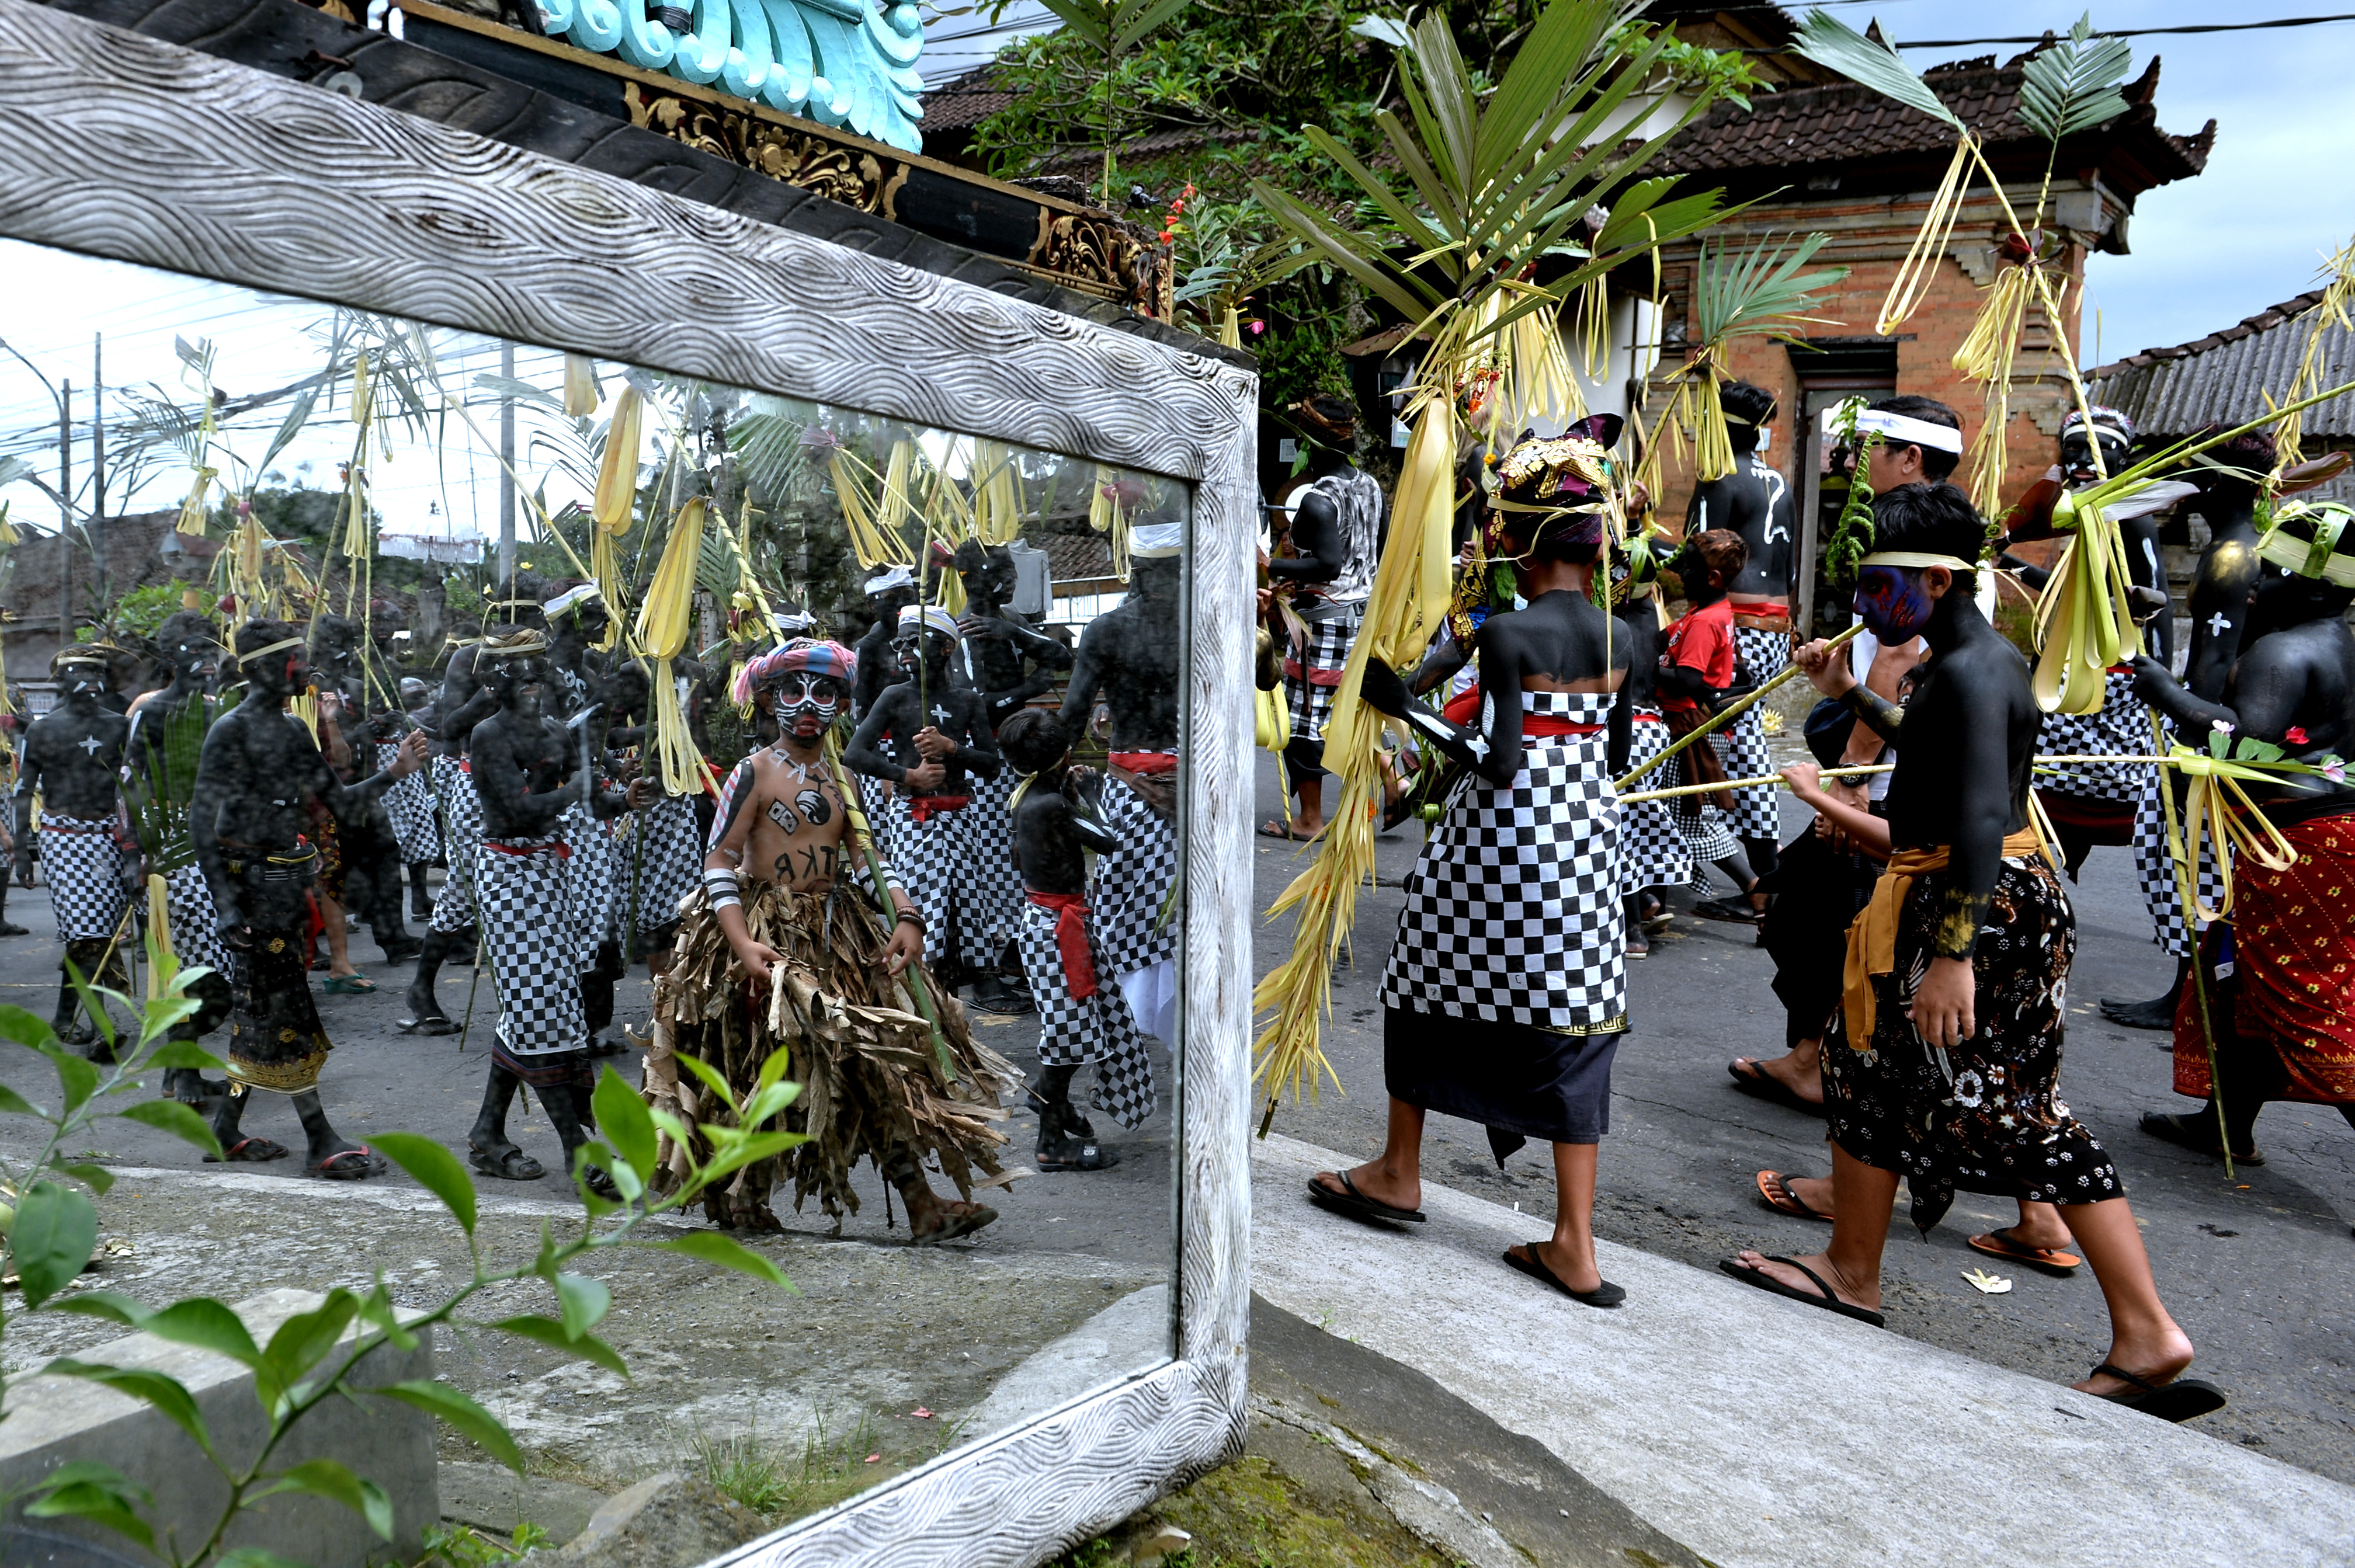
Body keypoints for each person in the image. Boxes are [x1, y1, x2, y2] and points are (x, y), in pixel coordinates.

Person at [1720, 483, 2221, 1423]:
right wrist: (1849, 694)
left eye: (1883, 584)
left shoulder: (1978, 670)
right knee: (1864, 1070)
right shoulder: (1957, 668)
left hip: (1976, 906)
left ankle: (2148, 1331)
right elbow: (1936, 756)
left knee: (2017, 1112)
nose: (1868, 603)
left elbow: (1985, 811)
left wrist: (1952, 951)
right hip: (1956, 893)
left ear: (1943, 581)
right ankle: (1850, 1269)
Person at [1309, 425, 1634, 1310]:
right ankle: (1576, 1242)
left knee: (1420, 990)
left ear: (1522, 544)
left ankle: (1398, 1171)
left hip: (1499, 842)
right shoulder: (1625, 637)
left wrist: (1402, 709)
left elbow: (1493, 760)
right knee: (1575, 1018)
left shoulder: (1512, 635)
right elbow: (1606, 751)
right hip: (1584, 846)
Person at [648, 638, 1014, 1236]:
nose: (808, 704)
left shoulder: (844, 778)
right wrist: (740, 943)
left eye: (824, 692)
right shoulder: (754, 772)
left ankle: (922, 1204)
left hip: (833, 934)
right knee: (767, 1069)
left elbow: (867, 857)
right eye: (793, 691)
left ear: (844, 703)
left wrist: (906, 914)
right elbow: (719, 859)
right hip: (767, 939)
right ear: (769, 702)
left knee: (868, 1064)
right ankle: (745, 1198)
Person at [2130, 500, 2355, 1163]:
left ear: (2314, 587)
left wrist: (2165, 691)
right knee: (2244, 985)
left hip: (2299, 848)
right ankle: (2224, 1123)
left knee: (2303, 1003)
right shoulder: (2342, 643)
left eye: (2271, 577)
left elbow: (2244, 743)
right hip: (2329, 837)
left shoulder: (2283, 652)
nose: (2253, 589)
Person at [191, 618, 428, 1176]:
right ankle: (319, 1136)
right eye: (299, 658)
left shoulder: (294, 730)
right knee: (283, 1010)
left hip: (285, 886)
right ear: (270, 668)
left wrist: (396, 769)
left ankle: (226, 1128)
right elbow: (203, 822)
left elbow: (340, 804)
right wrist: (226, 904)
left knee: (266, 1011)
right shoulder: (230, 729)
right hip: (250, 887)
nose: (309, 668)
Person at [460, 627, 644, 1191]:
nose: (533, 681)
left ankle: (488, 1134)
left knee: (539, 1008)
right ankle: (579, 1151)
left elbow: (586, 799)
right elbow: (517, 813)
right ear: (497, 680)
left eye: (538, 669)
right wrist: (573, 788)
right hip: (507, 875)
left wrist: (625, 797)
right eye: (520, 671)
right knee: (543, 1011)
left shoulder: (552, 731)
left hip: (551, 874)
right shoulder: (487, 735)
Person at [2103, 430, 2276, 1030]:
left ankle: (2190, 996)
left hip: (2211, 739)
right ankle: (2187, 990)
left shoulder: (2232, 556)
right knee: (2196, 864)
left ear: (2214, 484)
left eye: (2190, 476)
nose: (2180, 488)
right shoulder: (2262, 544)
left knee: (2180, 857)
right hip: (2236, 732)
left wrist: (2185, 725)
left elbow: (2215, 662)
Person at [1998, 407, 2184, 877]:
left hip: (2110, 679)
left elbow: (2156, 602)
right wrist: (2007, 562)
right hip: (2066, 671)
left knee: (2096, 780)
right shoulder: (2080, 513)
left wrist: (2158, 677)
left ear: (2124, 459)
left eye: (2099, 452)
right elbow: (2071, 591)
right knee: (2037, 781)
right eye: (2074, 450)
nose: (2083, 461)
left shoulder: (2130, 519)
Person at [999, 708, 1155, 1170]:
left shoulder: (1028, 795)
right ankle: (1050, 1139)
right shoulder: (1049, 803)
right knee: (1068, 1032)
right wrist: (1091, 792)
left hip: (1050, 921)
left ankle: (1055, 1104)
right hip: (1057, 928)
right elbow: (1107, 840)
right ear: (1066, 755)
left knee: (1080, 1022)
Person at [1057, 515, 1183, 1045]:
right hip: (1194, 784)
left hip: (1130, 789)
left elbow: (1070, 716)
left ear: (1134, 569)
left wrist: (1040, 772)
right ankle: (1174, 1021)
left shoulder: (1107, 629)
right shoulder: (1206, 619)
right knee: (1183, 904)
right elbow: (1267, 679)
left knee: (1127, 902)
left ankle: (1125, 1022)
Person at [402, 578, 544, 1033]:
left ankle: (538, 997)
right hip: (476, 786)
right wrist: (490, 694)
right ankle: (422, 986)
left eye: (530, 614)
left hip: (536, 786)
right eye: (512, 614)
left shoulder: (543, 658)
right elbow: (448, 726)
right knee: (469, 885)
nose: (520, 624)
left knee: (541, 884)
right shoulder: (472, 658)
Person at [844, 605, 1003, 984]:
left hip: (961, 815)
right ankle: (926, 970)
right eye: (900, 642)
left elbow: (991, 765)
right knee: (920, 894)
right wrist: (909, 776)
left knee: (968, 892)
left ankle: (980, 971)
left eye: (915, 640)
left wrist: (951, 748)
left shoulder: (967, 700)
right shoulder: (895, 696)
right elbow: (854, 753)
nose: (904, 649)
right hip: (913, 816)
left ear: (947, 647)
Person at [953, 537, 1074, 1014]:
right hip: (984, 761)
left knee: (1017, 857)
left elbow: (1062, 659)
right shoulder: (963, 631)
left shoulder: (1005, 623)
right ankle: (986, 976)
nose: (1016, 584)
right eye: (1009, 576)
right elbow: (976, 705)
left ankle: (1011, 959)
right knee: (991, 864)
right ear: (985, 579)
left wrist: (1014, 637)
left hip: (1016, 757)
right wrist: (1028, 687)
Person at [1684, 380, 1796, 883]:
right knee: (1746, 743)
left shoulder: (1720, 479)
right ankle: (1755, 877)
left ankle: (1762, 883)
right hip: (1776, 625)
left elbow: (1697, 558)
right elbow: (1788, 568)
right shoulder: (1779, 481)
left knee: (1742, 747)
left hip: (1736, 628)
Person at [123, 612, 235, 1104]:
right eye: (195, 654)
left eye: (212, 655)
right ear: (171, 661)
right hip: (169, 847)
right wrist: (136, 854)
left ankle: (182, 1062)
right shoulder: (150, 713)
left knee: (218, 973)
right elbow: (129, 782)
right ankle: (184, 1070)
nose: (207, 665)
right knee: (180, 965)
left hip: (218, 847)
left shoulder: (221, 713)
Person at [1265, 394, 1384, 840]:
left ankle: (1310, 819)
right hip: (1361, 619)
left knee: (1305, 722)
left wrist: (1269, 564)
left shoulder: (1318, 501)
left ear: (1312, 444)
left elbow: (1329, 566)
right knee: (1350, 711)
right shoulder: (1372, 487)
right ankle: (1386, 788)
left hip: (1326, 622)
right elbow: (1379, 551)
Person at [16, 646, 131, 1045]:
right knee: (87, 933)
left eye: (97, 669)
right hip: (62, 839)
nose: (90, 676)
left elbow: (133, 787)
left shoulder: (121, 726)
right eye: (79, 669)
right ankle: (104, 1027)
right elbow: (22, 790)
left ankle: (64, 1018)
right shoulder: (41, 730)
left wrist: (138, 844)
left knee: (93, 932)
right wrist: (19, 849)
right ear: (60, 679)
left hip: (111, 838)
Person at [1656, 528, 1766, 922]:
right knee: (1672, 814)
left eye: (1688, 566)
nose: (1681, 573)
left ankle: (1757, 889)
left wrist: (1645, 667)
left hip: (1691, 728)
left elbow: (1686, 679)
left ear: (1713, 578)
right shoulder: (1708, 612)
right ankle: (1653, 900)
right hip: (1696, 727)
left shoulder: (1704, 621)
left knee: (1688, 818)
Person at [1609, 530, 1691, 960]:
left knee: (1621, 830)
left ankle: (1633, 927)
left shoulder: (1615, 623)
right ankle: (1648, 902)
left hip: (1630, 732)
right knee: (1641, 822)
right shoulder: (1654, 619)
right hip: (1656, 730)